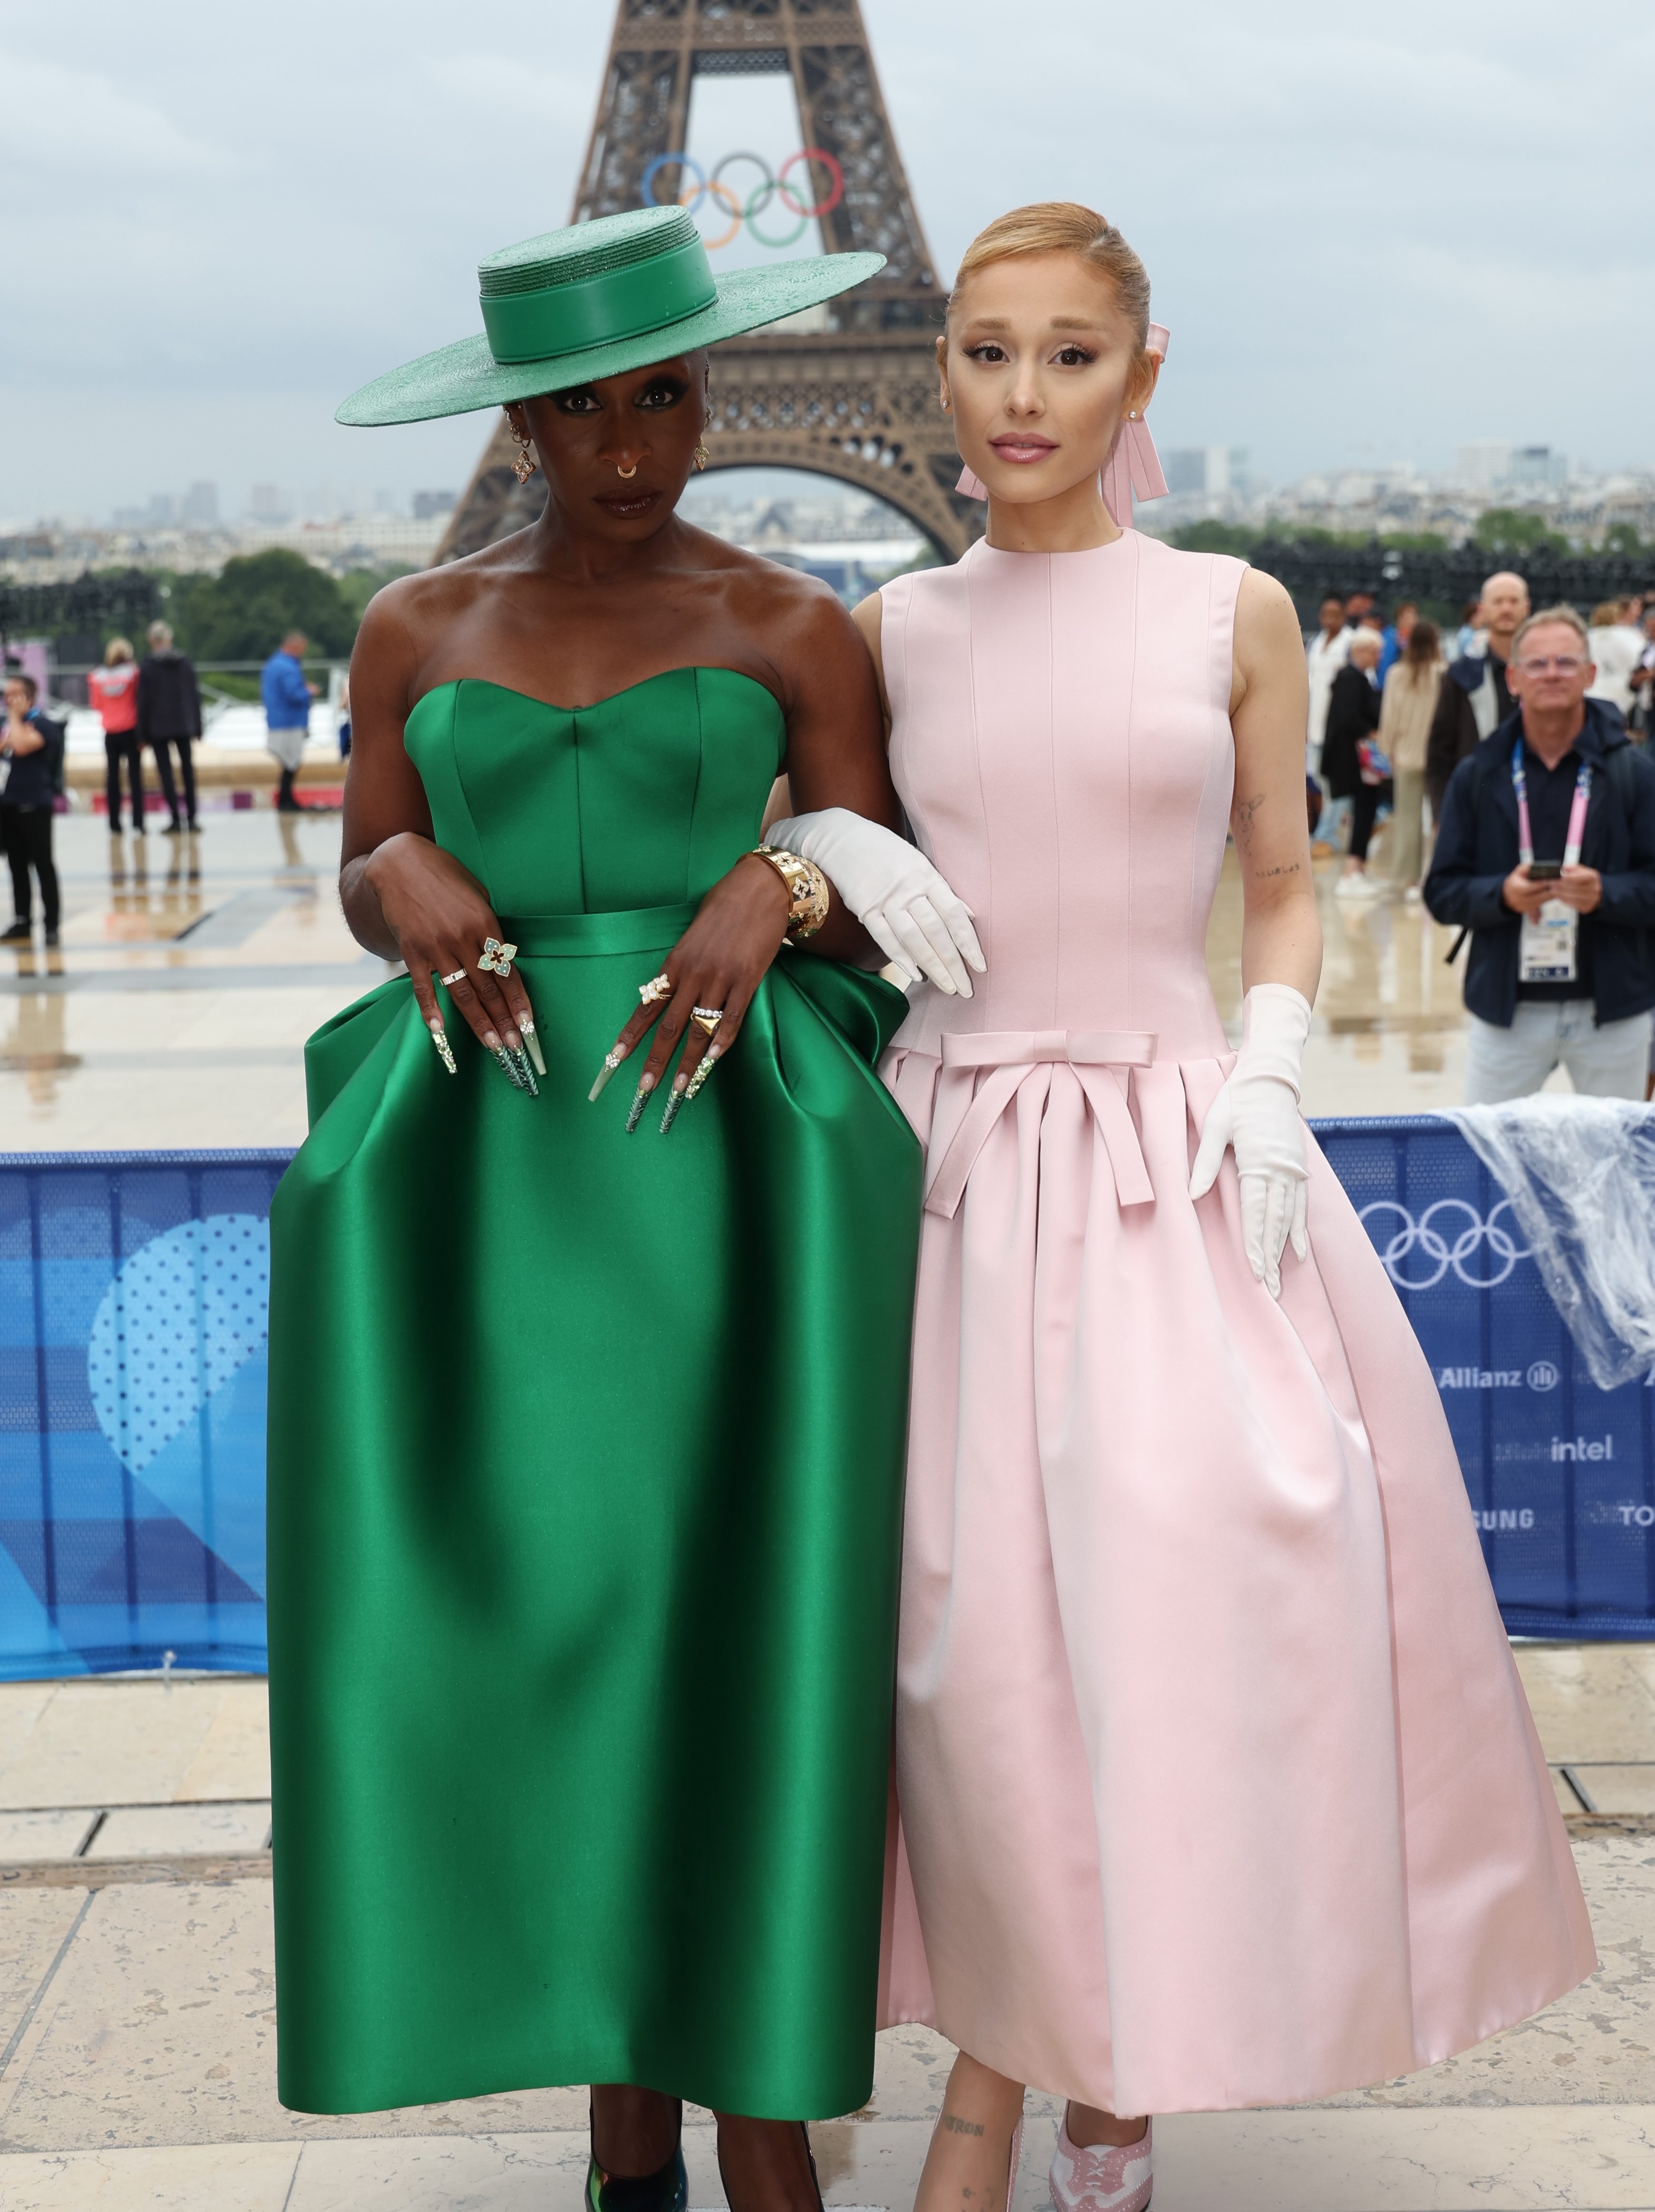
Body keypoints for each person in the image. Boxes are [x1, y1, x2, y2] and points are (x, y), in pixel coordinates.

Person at [776, 200, 1593, 2212]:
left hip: (1173, 1152)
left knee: (1173, 1620)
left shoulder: (1229, 608)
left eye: (1068, 353)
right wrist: (823, 843)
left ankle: (1089, 2069)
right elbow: (808, 850)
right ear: (936, 368)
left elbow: (1286, 881)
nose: (1020, 394)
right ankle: (1028, 2078)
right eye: (985, 350)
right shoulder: (890, 631)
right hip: (951, 1162)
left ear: (1143, 373)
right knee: (970, 1660)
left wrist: (1270, 1063)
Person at [265, 205, 983, 2212]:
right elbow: (369, 871)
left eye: (664, 394)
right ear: (520, 418)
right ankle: (627, 2125)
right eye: (583, 407)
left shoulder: (791, 622)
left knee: (722, 1619)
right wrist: (391, 875)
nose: (631, 442)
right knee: (538, 1633)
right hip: (484, 1184)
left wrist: (784, 876)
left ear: (709, 391)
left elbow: (886, 890)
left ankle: (739, 2110)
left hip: (724, 1180)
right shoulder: (411, 624)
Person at [1424, 604, 1655, 1101]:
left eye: (1567, 662)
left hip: (1613, 1011)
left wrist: (1606, 894)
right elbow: (1441, 892)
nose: (1552, 673)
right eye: (1538, 663)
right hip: (1507, 1011)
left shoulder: (1635, 774)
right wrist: (1502, 895)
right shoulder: (1479, 774)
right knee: (1489, 1146)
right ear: (1513, 678)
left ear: (1590, 674)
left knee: (1613, 1150)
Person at [1424, 569, 1529, 812]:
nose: (1506, 609)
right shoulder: (1460, 675)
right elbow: (1440, 751)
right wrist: (1442, 813)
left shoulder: (1546, 671)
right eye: (1498, 601)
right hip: (1478, 802)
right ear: (1482, 610)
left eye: (1514, 601)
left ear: (1527, 608)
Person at [1380, 616, 1444, 897]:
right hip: (1439, 756)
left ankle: (1410, 881)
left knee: (1407, 819)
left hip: (1406, 754)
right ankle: (1442, 875)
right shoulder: (1445, 673)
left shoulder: (1396, 674)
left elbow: (1389, 716)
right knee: (1442, 818)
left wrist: (1387, 749)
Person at [1322, 627, 1389, 895]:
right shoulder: (1349, 678)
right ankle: (1352, 872)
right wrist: (1372, 733)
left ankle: (1358, 868)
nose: (1378, 657)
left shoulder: (1362, 678)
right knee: (1361, 813)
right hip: (1353, 761)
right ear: (1360, 651)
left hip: (1362, 762)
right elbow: (1348, 717)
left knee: (1367, 812)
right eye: (1374, 652)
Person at [1, 673, 65, 946]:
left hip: (35, 803)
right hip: (9, 803)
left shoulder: (45, 725)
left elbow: (23, 747)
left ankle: (51, 924)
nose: (8, 700)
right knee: (16, 865)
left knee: (43, 864)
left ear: (29, 697)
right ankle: (22, 920)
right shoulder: (9, 725)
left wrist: (15, 720)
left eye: (14, 694)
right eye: (6, 694)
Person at [136, 620, 204, 832]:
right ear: (170, 638)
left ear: (151, 640)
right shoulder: (185, 663)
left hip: (158, 726)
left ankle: (175, 818)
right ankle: (192, 818)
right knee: (188, 771)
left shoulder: (148, 666)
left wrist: (142, 733)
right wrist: (198, 726)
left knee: (166, 774)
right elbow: (195, 696)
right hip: (184, 723)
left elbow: (143, 701)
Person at [1304, 592, 1349, 846]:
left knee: (1335, 781)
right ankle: (1330, 832)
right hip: (1315, 724)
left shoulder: (1350, 643)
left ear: (1344, 616)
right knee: (1321, 779)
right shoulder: (1315, 644)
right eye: (1326, 614)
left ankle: (1327, 835)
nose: (1330, 619)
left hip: (1338, 726)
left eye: (1335, 614)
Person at [87, 636, 144, 832]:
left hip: (110, 732)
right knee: (135, 778)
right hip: (131, 729)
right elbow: (139, 700)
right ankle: (138, 822)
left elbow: (96, 705)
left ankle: (114, 823)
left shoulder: (98, 677)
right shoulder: (133, 674)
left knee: (112, 778)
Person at [262, 629, 316, 811]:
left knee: (288, 763)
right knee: (292, 763)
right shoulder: (288, 667)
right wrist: (309, 691)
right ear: (294, 646)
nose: (302, 653)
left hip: (278, 720)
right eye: (301, 649)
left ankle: (285, 799)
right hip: (290, 721)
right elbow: (293, 694)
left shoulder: (273, 664)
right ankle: (286, 801)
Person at [1587, 598, 1644, 728]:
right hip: (1621, 691)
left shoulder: (1587, 636)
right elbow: (1641, 660)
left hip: (1593, 689)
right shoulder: (1629, 636)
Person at [1377, 597, 1415, 681]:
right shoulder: (1390, 639)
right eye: (1408, 618)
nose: (1411, 622)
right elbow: (1385, 667)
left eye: (1414, 617)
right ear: (1399, 619)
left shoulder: (1416, 640)